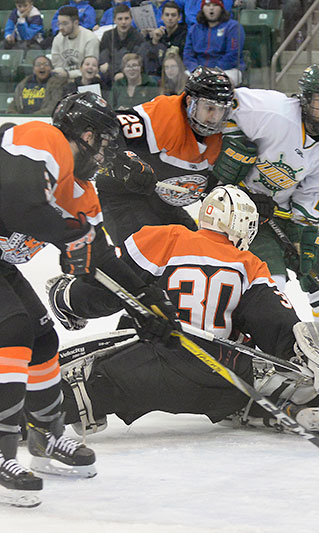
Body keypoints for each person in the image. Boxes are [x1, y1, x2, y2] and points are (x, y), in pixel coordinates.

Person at [49, 185, 319, 437]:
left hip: (153, 366)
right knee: (261, 380)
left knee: (86, 390)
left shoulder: (161, 238)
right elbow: (275, 322)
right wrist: (305, 361)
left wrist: (69, 298)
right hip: (222, 374)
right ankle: (292, 403)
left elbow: (110, 289)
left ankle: (37, 410)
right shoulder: (249, 263)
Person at [0, 91, 177, 505]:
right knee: (12, 329)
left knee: (42, 338)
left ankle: (46, 434)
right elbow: (17, 200)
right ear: (83, 134)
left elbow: (101, 257)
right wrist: (68, 235)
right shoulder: (43, 139)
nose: (105, 156)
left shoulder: (80, 192)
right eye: (104, 144)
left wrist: (149, 301)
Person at [216, 65, 319, 354]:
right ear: (305, 100)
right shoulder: (274, 111)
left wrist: (304, 237)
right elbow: (223, 101)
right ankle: (266, 349)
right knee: (273, 284)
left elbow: (310, 202)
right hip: (239, 210)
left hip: (281, 212)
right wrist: (233, 144)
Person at [95, 66, 231, 247]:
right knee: (148, 257)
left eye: (220, 111)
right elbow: (109, 126)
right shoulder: (162, 115)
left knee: (199, 251)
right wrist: (127, 161)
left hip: (163, 203)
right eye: (209, 108)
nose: (214, 117)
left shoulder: (221, 138)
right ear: (191, 101)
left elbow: (210, 187)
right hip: (123, 198)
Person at [183, 0, 246, 86]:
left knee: (220, 83)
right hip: (199, 71)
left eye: (215, 5)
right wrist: (197, 70)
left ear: (221, 8)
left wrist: (213, 71)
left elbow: (233, 55)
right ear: (202, 9)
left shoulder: (233, 27)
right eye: (208, 5)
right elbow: (188, 55)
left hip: (227, 69)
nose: (211, 8)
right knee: (182, 79)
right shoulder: (194, 29)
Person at [99, 4, 145, 85]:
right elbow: (103, 63)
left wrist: (123, 73)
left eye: (126, 18)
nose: (123, 22)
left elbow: (138, 62)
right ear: (114, 20)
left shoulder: (138, 37)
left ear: (131, 19)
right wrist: (115, 73)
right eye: (120, 19)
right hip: (109, 77)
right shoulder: (107, 36)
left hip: (131, 76)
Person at [51, 6, 101, 80]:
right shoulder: (58, 39)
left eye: (65, 24)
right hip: (64, 80)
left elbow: (91, 70)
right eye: (59, 24)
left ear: (76, 23)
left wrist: (68, 74)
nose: (60, 28)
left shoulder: (90, 39)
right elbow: (57, 65)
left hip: (85, 81)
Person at [138, 1, 187, 77]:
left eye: (173, 15)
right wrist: (155, 41)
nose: (170, 18)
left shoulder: (185, 34)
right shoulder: (159, 34)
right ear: (162, 17)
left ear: (179, 17)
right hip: (160, 73)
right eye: (167, 15)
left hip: (179, 73)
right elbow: (150, 59)